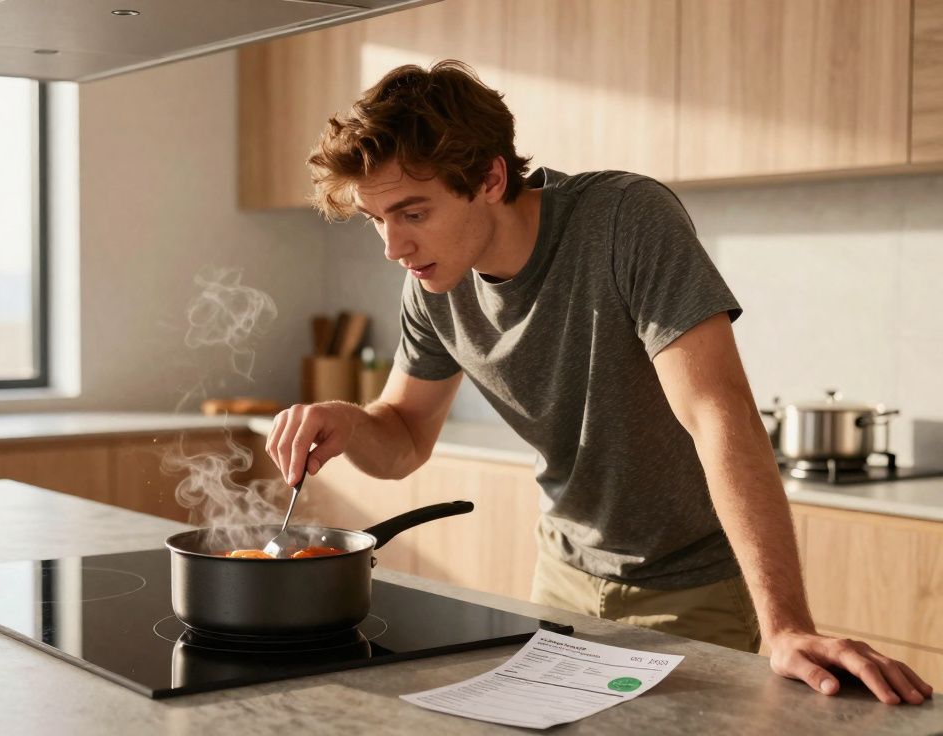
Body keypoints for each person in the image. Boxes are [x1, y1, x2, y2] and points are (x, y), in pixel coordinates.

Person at [264, 59, 932, 706]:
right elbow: (405, 436)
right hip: (561, 577)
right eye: (377, 220)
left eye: (413, 213)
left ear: (491, 178)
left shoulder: (625, 220)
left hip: (690, 585)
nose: (393, 248)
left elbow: (716, 414)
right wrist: (350, 422)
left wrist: (786, 624)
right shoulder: (433, 285)